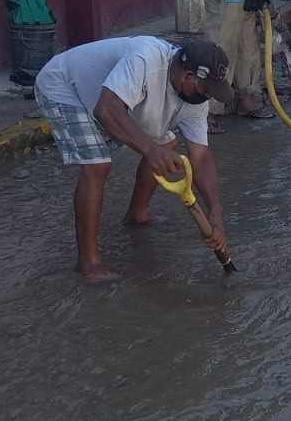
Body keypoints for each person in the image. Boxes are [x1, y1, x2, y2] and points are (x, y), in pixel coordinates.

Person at [34, 37, 235, 282]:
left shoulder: (195, 98)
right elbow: (106, 110)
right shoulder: (144, 60)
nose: (208, 98)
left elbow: (200, 156)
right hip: (65, 86)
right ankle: (88, 265)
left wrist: (215, 210)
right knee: (97, 165)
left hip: (110, 96)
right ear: (187, 76)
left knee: (167, 144)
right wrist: (150, 151)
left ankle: (136, 215)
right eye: (206, 90)